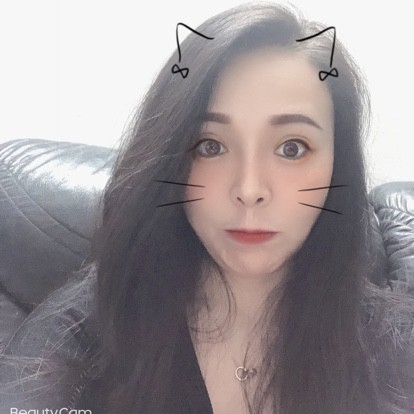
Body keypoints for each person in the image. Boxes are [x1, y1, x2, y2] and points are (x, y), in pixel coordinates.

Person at [1, 2, 413, 413]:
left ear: (338, 164)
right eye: (210, 146)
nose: (249, 190)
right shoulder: (92, 324)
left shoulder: (392, 349)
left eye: (292, 148)